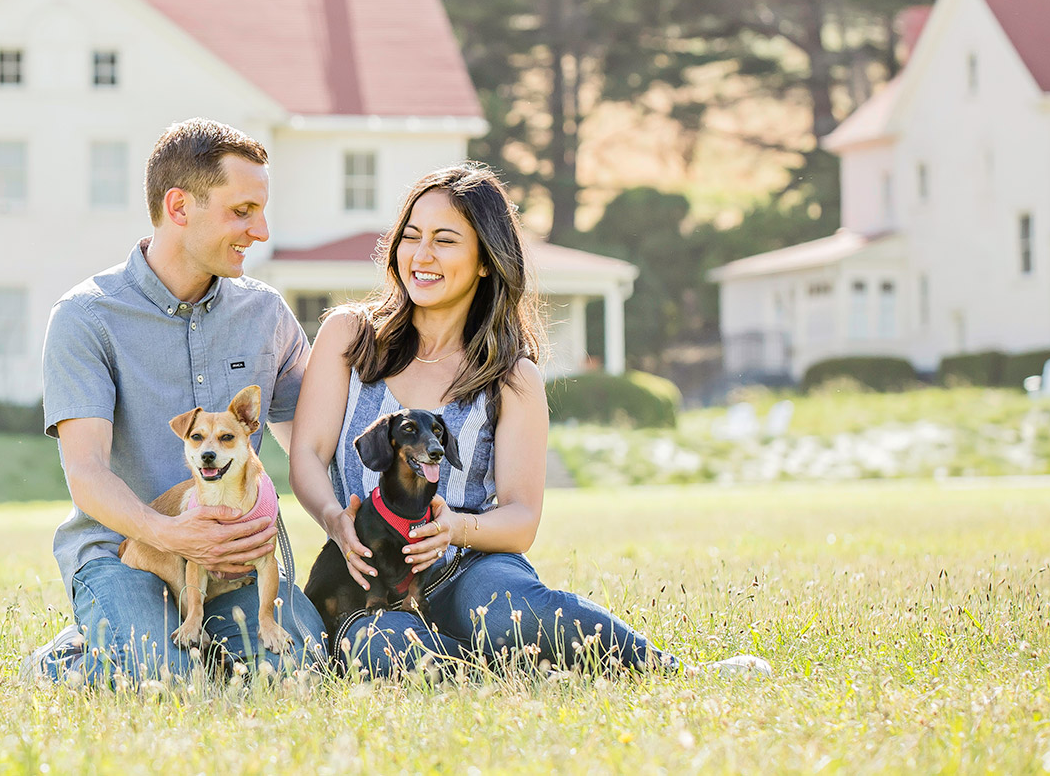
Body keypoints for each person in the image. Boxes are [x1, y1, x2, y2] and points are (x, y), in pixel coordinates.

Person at [288, 162, 770, 677]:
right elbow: (308, 455)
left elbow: (521, 519)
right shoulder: (350, 335)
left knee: (510, 615)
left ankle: (678, 674)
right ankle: (504, 675)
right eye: (411, 236)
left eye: (445, 240)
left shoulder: (512, 375)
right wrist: (334, 520)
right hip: (371, 572)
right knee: (380, 645)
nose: (421, 255)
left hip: (468, 568)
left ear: (484, 262)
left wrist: (455, 527)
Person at [25, 119, 327, 682]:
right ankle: (66, 660)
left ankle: (189, 645)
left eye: (260, 211)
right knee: (164, 680)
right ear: (179, 205)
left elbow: (313, 447)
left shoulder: (265, 314)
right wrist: (173, 535)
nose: (259, 231)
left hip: (237, 562)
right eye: (242, 211)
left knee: (301, 670)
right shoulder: (86, 317)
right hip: (128, 553)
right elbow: (86, 473)